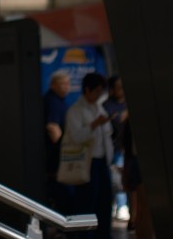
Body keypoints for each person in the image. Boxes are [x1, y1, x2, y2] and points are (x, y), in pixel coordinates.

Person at [65, 72, 114, 239]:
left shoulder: (99, 107)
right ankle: (85, 237)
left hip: (102, 161)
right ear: (87, 90)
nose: (99, 95)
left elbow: (107, 133)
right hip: (86, 163)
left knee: (104, 202)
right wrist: (94, 124)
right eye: (97, 91)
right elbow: (76, 136)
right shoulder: (76, 110)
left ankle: (103, 235)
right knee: (86, 203)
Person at [44, 70, 74, 216]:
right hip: (54, 155)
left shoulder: (60, 101)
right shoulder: (53, 101)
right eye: (62, 84)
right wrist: (64, 148)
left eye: (68, 83)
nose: (66, 87)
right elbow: (52, 126)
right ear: (53, 85)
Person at [104, 75, 129, 222]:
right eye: (119, 87)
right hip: (115, 148)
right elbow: (116, 121)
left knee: (127, 177)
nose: (122, 90)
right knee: (117, 179)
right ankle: (121, 205)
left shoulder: (126, 103)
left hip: (127, 148)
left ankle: (124, 205)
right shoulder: (107, 105)